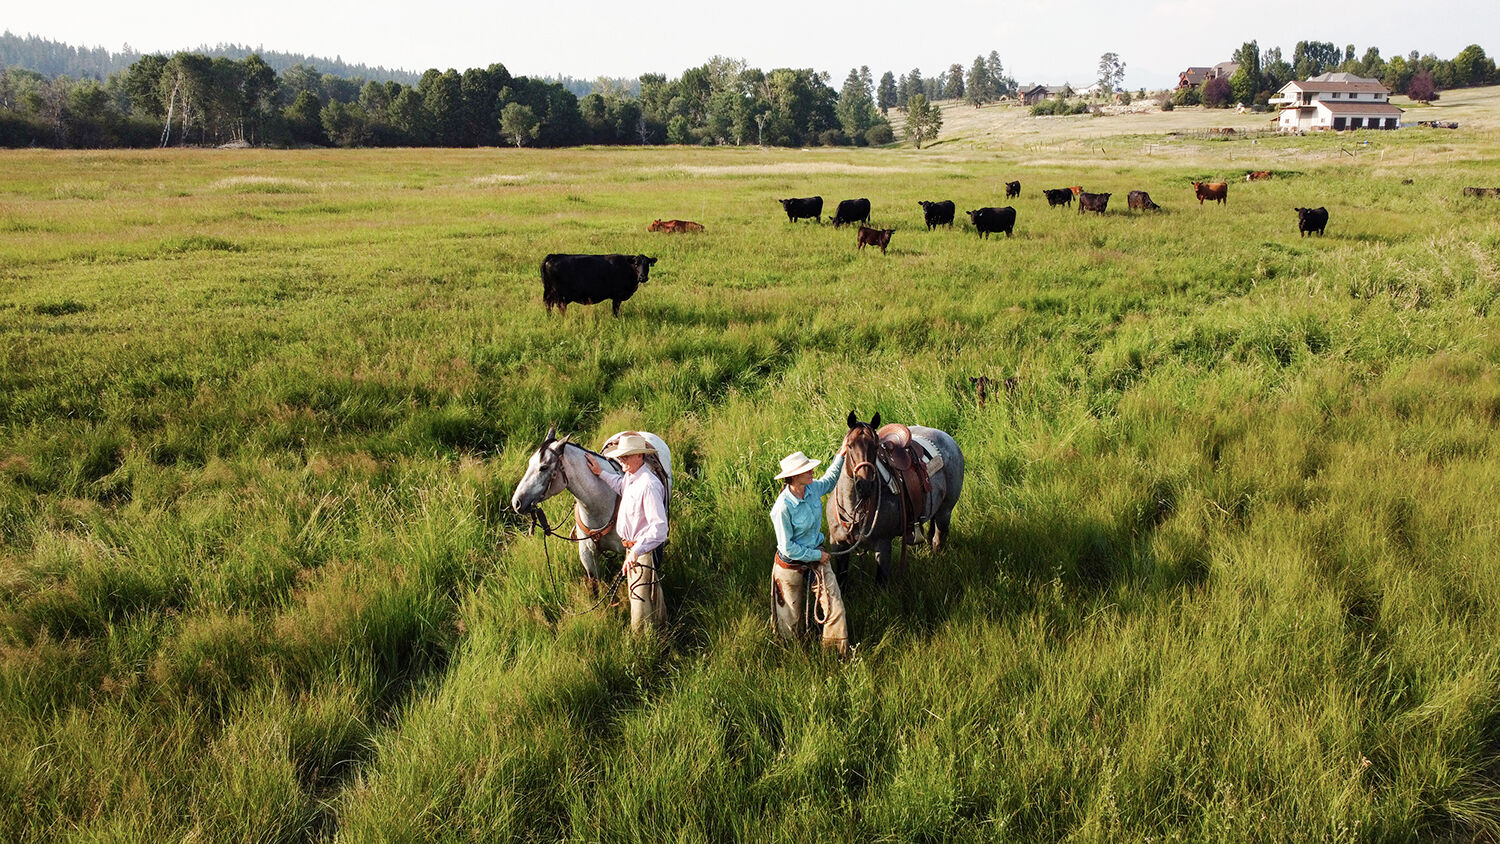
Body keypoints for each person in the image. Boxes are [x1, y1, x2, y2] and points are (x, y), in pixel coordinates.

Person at [769, 443, 849, 654]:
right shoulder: (782, 507)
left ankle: (835, 652)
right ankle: (793, 655)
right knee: (790, 622)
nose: (812, 471)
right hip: (791, 564)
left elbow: (830, 480)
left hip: (816, 558)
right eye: (807, 469)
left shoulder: (812, 488)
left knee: (835, 607)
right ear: (795, 477)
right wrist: (817, 555)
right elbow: (787, 547)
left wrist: (841, 453)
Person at [586, 433, 668, 632]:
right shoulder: (631, 477)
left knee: (639, 603)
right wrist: (600, 473)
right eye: (620, 456)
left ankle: (642, 646)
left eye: (625, 456)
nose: (621, 460)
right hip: (633, 551)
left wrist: (636, 552)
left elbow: (659, 528)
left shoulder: (648, 485)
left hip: (642, 553)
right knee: (647, 595)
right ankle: (661, 629)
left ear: (639, 456)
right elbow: (621, 486)